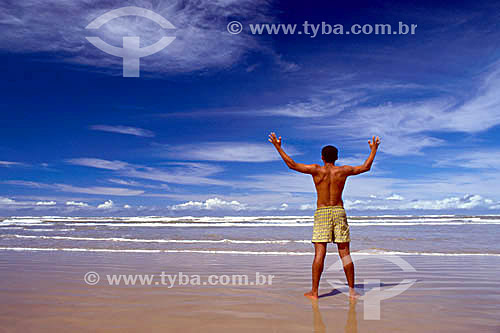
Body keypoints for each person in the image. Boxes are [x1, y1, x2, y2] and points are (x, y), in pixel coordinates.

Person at [268, 132, 381, 300]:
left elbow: (292, 165)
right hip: (338, 211)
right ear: (337, 157)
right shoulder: (343, 171)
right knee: (344, 253)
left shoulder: (316, 170)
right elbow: (365, 167)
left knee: (320, 253)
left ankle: (315, 292)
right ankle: (351, 291)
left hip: (322, 212)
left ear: (322, 157)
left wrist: (278, 147)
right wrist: (373, 150)